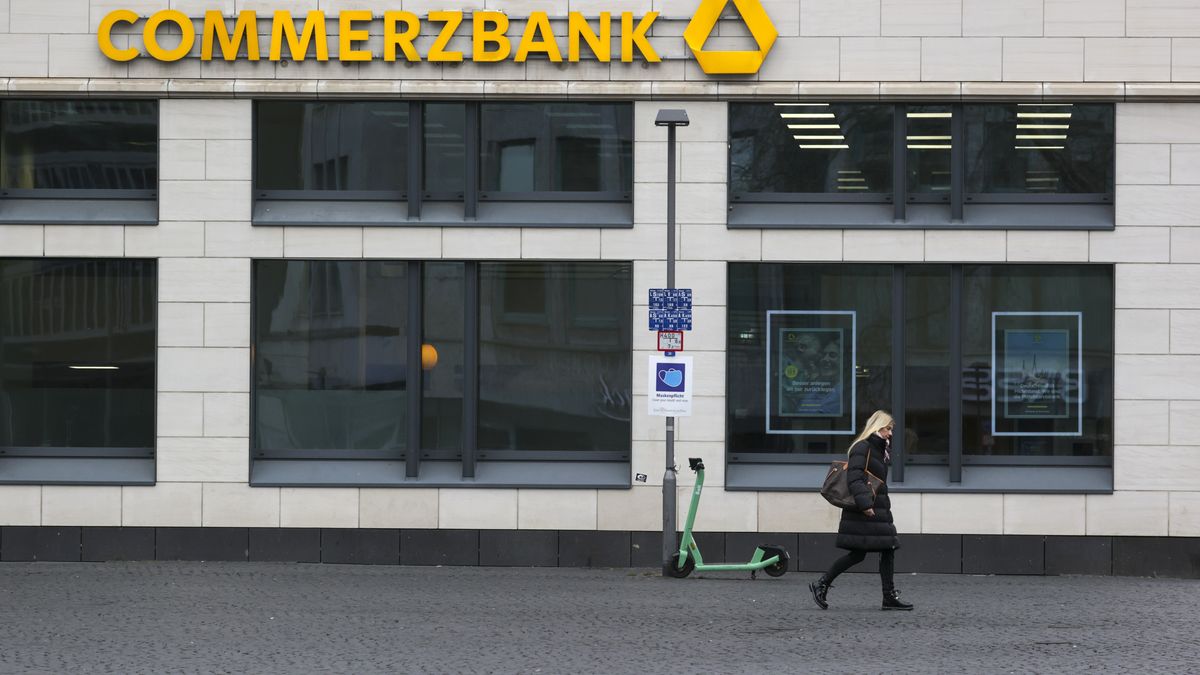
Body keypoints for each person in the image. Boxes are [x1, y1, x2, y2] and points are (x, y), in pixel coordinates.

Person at [809, 410, 913, 611]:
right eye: (887, 428)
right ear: (877, 426)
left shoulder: (879, 450)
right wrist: (865, 505)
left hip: (876, 507)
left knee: (880, 550)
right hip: (865, 508)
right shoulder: (862, 447)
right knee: (869, 551)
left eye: (891, 429)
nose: (890, 433)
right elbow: (854, 478)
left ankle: (887, 596)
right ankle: (822, 584)